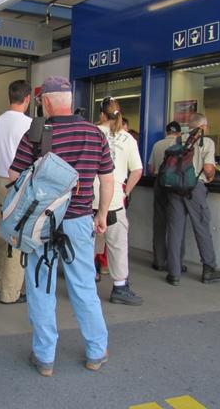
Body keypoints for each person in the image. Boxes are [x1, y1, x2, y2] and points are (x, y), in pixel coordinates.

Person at [9, 76, 114, 376]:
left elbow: (15, 176)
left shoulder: (37, 133)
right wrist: (102, 214)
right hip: (79, 221)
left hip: (41, 222)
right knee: (83, 285)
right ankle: (96, 351)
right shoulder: (95, 133)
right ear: (69, 100)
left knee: (41, 286)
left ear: (46, 102)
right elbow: (107, 179)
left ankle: (45, 357)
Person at [92, 97, 143, 305]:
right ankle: (120, 287)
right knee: (117, 245)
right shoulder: (129, 139)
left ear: (101, 114)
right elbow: (137, 170)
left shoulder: (91, 133)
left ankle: (85, 284)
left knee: (87, 244)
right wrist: (125, 192)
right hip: (113, 200)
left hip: (88, 200)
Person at [0, 80, 32, 304]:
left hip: (0, 182)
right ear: (27, 99)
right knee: (17, 237)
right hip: (20, 184)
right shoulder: (29, 124)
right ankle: (10, 292)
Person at [165, 113, 220, 286]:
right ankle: (209, 269)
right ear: (202, 127)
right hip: (194, 188)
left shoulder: (176, 140)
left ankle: (174, 273)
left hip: (175, 188)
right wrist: (211, 176)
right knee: (201, 227)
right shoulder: (207, 141)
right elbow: (208, 168)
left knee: (175, 230)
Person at [148, 121, 187, 273]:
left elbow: (151, 169)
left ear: (166, 132)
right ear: (179, 133)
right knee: (176, 225)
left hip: (159, 183)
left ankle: (159, 261)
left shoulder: (157, 145)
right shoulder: (181, 145)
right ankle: (176, 263)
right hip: (176, 186)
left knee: (159, 223)